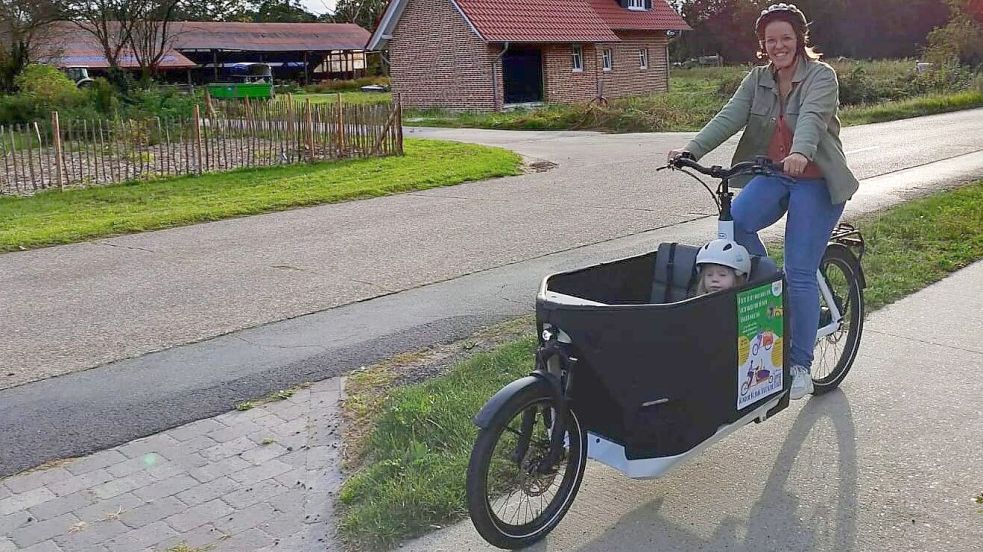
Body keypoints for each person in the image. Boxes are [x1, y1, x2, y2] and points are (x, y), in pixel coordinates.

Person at [667, 3, 860, 400]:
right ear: (763, 44)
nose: (779, 46)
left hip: (816, 180)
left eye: (786, 38)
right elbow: (729, 116)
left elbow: (811, 119)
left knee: (800, 269)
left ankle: (801, 364)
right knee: (736, 225)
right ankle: (776, 292)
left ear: (799, 39)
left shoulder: (821, 77)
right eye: (771, 40)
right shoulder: (758, 80)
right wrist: (691, 150)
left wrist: (802, 153)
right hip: (775, 174)